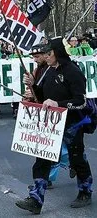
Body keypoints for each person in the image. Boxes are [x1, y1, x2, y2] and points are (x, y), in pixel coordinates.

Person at [16, 37, 93, 214]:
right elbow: (42, 96)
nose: (45, 56)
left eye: (48, 53)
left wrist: (58, 103)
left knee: (77, 158)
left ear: (57, 53)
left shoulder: (73, 71)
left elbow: (81, 101)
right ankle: (36, 198)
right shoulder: (48, 71)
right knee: (41, 159)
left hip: (72, 123)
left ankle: (85, 191)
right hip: (50, 123)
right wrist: (33, 87)